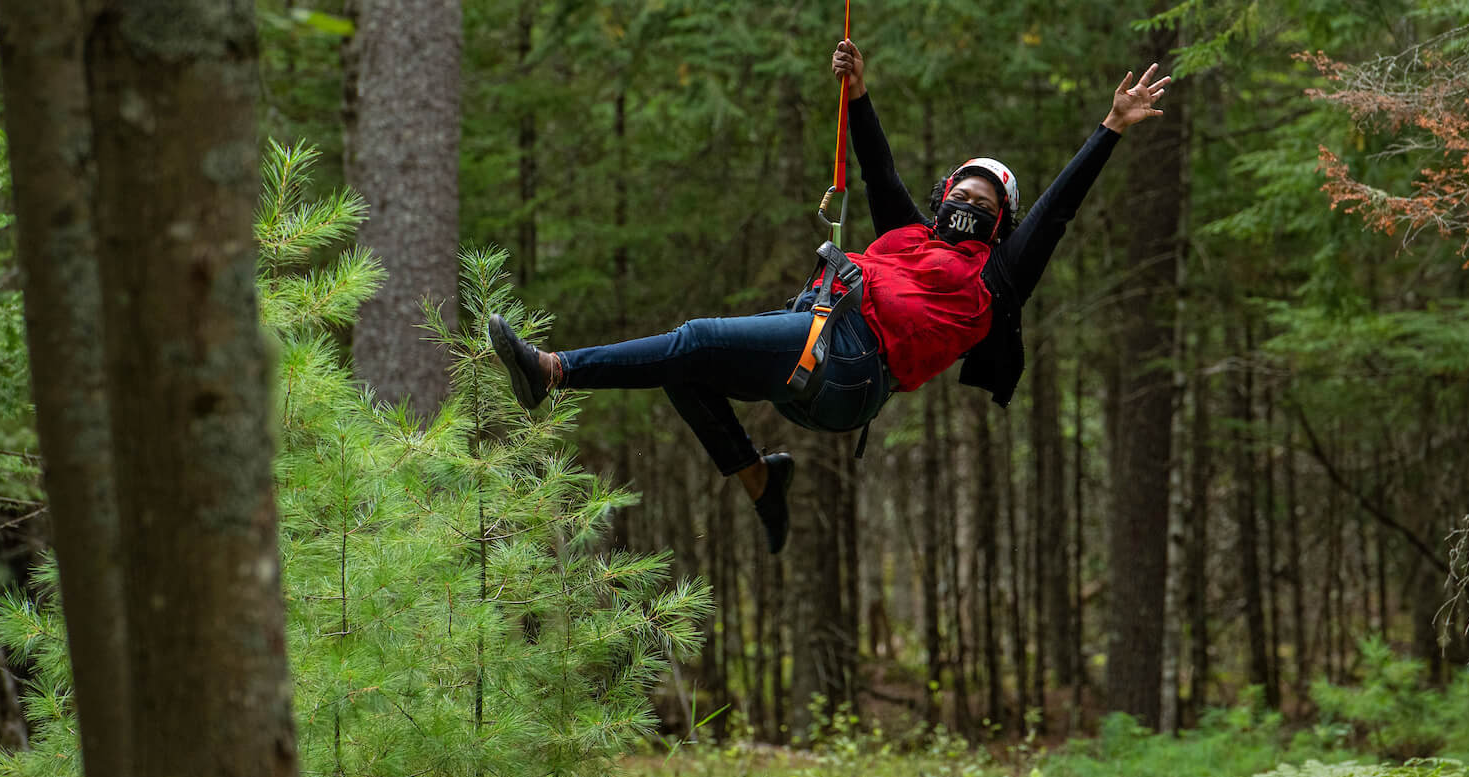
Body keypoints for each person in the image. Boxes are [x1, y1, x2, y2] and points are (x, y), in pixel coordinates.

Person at [488, 39, 1170, 553]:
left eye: (984, 199)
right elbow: (878, 169)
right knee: (684, 366)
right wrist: (859, 90)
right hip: (819, 343)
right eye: (961, 189)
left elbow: (1056, 211)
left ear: (1001, 222)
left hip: (850, 365)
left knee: (693, 339)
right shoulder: (907, 233)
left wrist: (1109, 127)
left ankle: (553, 371)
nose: (968, 199)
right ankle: (759, 478)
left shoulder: (997, 276)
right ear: (941, 199)